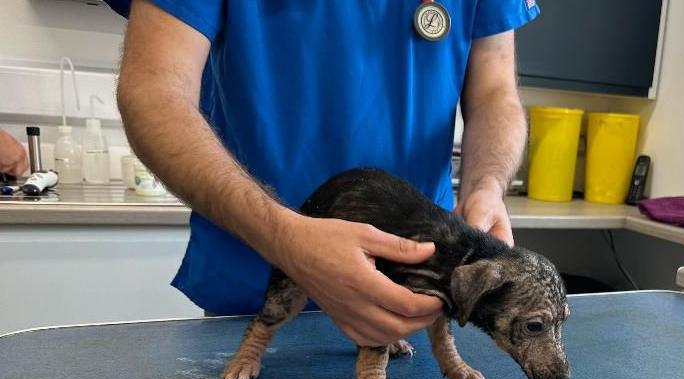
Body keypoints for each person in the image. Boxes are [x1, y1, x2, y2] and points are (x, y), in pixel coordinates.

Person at [109, 0, 538, 347]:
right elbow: (154, 90)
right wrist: (282, 236)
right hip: (255, 281)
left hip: (414, 298)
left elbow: (496, 93)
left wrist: (487, 184)